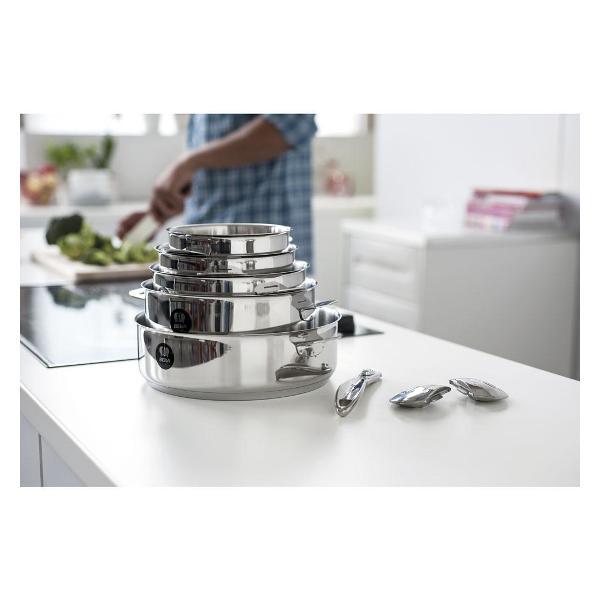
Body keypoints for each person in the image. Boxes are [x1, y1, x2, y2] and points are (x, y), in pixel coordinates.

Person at [117, 114, 317, 266]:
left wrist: (188, 163)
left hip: (263, 258)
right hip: (202, 256)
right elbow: (209, 164)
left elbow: (289, 125)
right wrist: (156, 215)